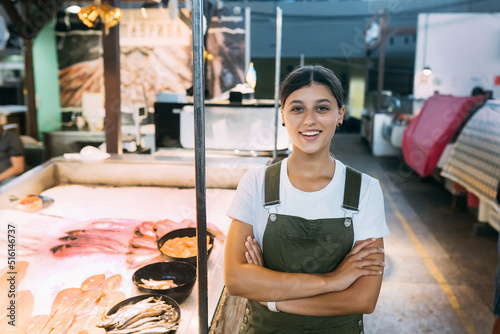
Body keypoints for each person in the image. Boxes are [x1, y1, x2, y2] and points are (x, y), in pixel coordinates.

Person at [223, 65, 390, 333]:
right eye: (297, 108)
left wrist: (272, 298)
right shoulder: (256, 183)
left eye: (322, 108)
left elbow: (363, 298)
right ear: (282, 116)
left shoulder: (365, 190)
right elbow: (236, 280)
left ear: (340, 114)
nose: (309, 120)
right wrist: (333, 281)